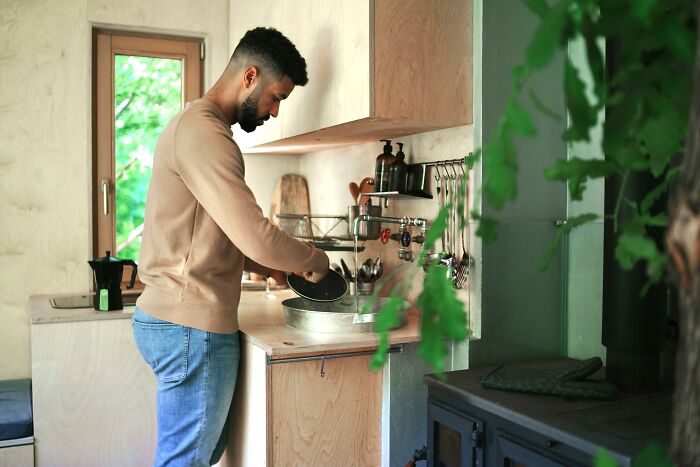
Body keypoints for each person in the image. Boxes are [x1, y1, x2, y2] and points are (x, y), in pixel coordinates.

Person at [132, 27, 329, 466]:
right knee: (184, 462)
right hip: (190, 325)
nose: (275, 112)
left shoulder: (197, 128)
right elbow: (254, 232)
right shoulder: (205, 134)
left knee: (196, 457)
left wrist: (273, 268)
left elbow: (213, 231)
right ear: (250, 76)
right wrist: (316, 258)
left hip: (179, 318)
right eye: (275, 97)